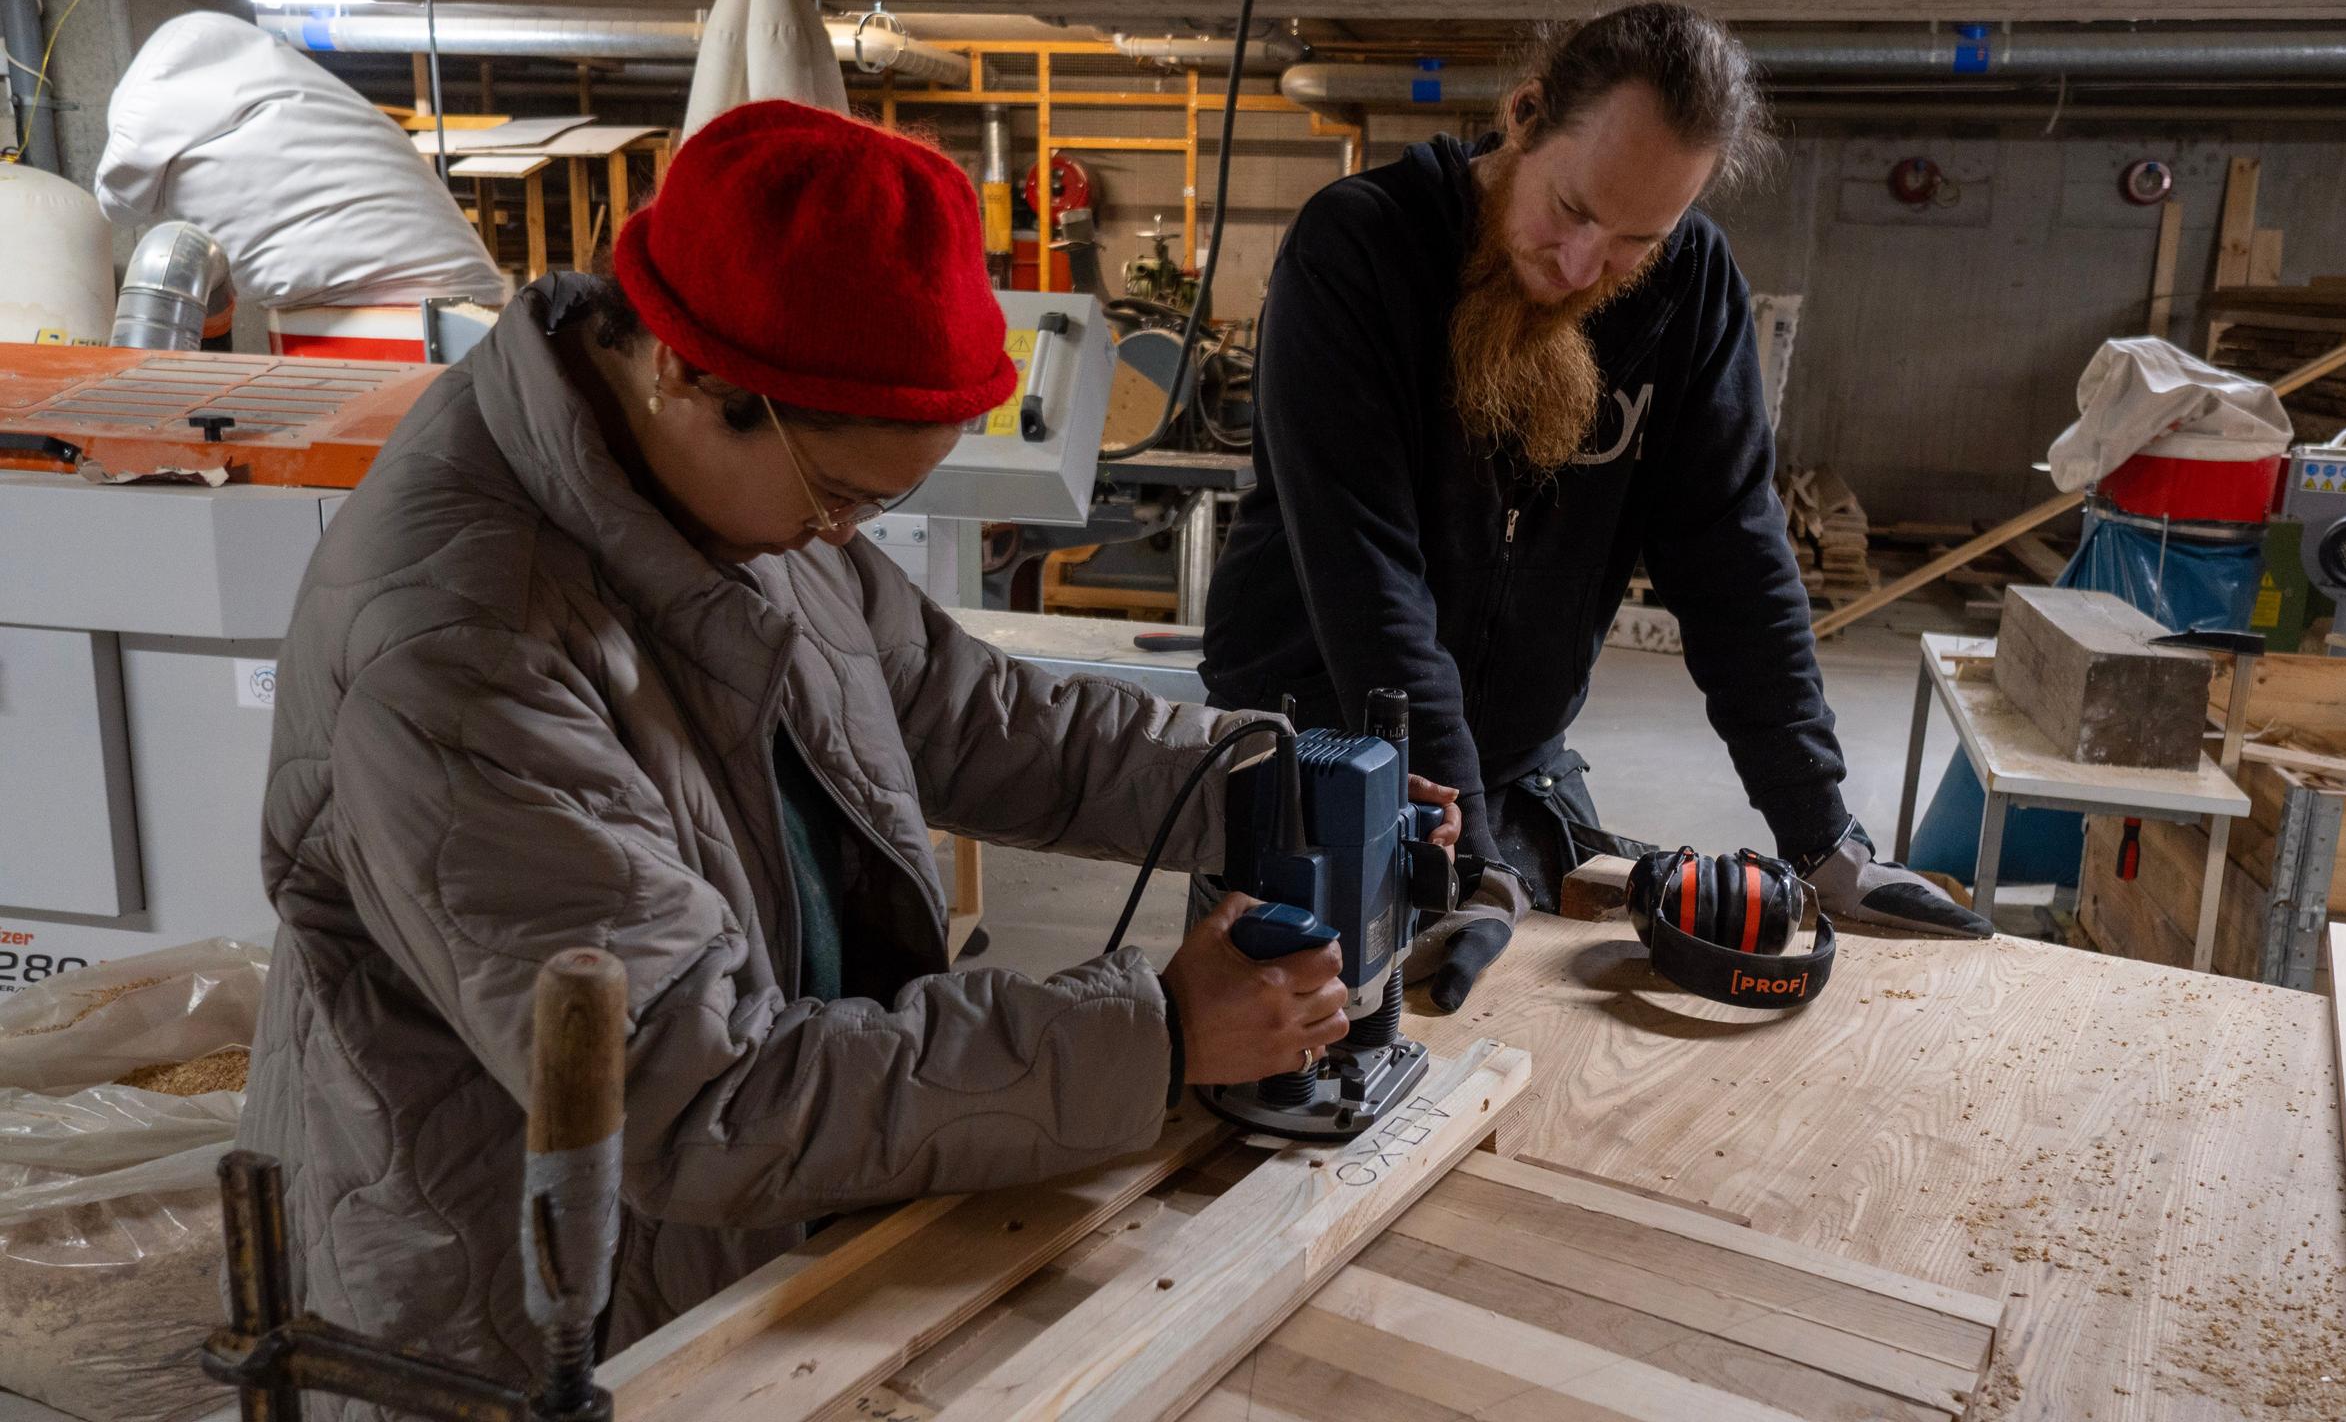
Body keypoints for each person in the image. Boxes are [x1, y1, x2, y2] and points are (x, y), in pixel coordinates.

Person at [240, 100, 1455, 1406]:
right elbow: (704, 1096)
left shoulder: (723, 498)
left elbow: (969, 713)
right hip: (524, 1320)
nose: (844, 538)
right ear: (688, 373)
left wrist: (1259, 785)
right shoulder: (457, 651)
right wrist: (1153, 1035)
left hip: (748, 1236)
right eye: (842, 495)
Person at [1202, 3, 1989, 1011]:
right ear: (1525, 115)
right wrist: (1463, 860)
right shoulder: (1358, 248)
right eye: (1571, 210)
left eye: (1634, 240)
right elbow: (1367, 579)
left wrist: (1820, 834)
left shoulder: (1690, 286)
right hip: (1317, 756)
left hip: (1514, 766)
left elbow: (1734, 561)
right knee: (1289, 1068)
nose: (1582, 268)